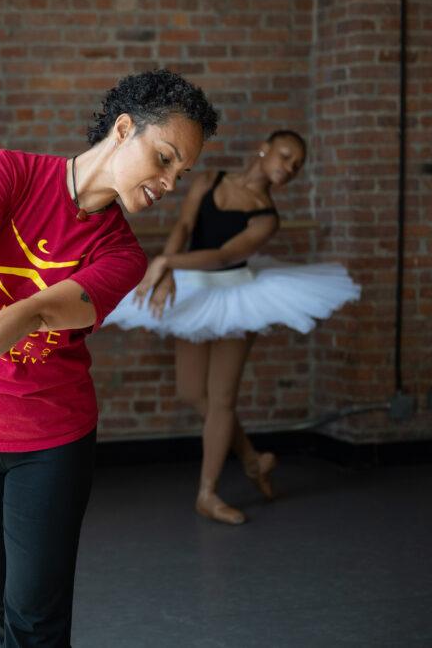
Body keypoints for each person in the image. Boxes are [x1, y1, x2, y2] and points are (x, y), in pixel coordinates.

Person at [0, 70, 218, 645]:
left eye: (181, 174)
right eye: (164, 158)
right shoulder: (7, 170)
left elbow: (37, 313)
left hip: (52, 441)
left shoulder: (122, 255)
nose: (170, 182)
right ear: (122, 128)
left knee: (35, 620)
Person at [105, 130, 360, 525]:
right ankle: (254, 459)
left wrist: (168, 264)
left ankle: (207, 493)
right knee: (191, 391)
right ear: (264, 148)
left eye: (296, 165)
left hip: (238, 297)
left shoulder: (266, 216)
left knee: (221, 399)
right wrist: (167, 265)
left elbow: (225, 256)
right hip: (194, 291)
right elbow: (184, 226)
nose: (289, 167)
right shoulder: (210, 180)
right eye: (286, 155)